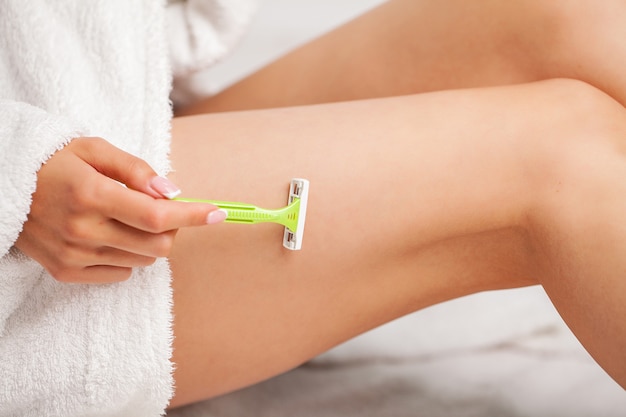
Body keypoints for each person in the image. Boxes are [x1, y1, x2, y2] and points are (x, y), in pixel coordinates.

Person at [1, 0, 625, 416]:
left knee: (577, 18)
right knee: (563, 161)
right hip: (32, 261)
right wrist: (18, 175)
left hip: (96, 94)